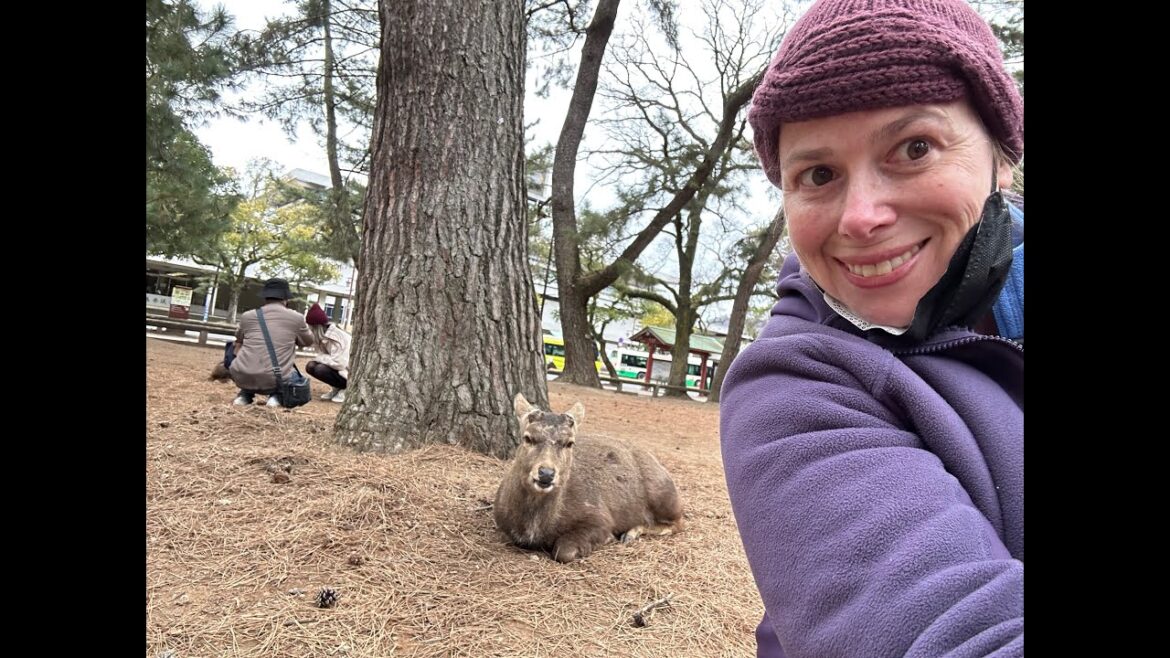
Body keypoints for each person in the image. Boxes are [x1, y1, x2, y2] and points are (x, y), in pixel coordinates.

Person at [719, 1, 1023, 656]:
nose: (860, 216)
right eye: (819, 174)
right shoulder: (791, 394)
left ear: (1001, 156)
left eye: (915, 148)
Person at [224, 278, 314, 407]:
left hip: (241, 374)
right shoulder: (296, 318)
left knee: (254, 361)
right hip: (276, 378)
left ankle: (245, 394)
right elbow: (308, 341)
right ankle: (276, 396)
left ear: (265, 297)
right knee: (295, 376)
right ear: (286, 298)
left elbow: (238, 340)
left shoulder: (247, 316)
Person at [304, 302, 352, 403]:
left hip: (348, 373)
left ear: (316, 328)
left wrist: (320, 358)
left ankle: (346, 389)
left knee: (320, 369)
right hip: (339, 370)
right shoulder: (321, 338)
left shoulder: (338, 338)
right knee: (311, 366)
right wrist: (321, 358)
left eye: (310, 327)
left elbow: (339, 363)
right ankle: (337, 387)